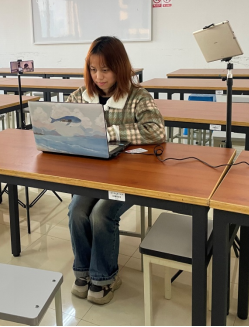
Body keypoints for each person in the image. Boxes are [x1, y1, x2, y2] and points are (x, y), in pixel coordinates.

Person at [66, 36, 166, 305]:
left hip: (128, 178)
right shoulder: (81, 96)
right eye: (93, 69)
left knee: (101, 214)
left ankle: (104, 277)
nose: (98, 77)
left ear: (119, 68)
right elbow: (65, 125)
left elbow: (156, 131)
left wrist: (111, 132)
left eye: (105, 70)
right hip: (93, 175)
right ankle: (83, 271)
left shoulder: (137, 97)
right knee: (77, 211)